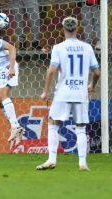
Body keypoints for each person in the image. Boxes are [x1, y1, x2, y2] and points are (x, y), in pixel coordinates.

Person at [36, 17, 100, 171]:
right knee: (80, 127)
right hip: (80, 93)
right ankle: (83, 163)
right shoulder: (87, 47)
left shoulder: (58, 47)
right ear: (78, 30)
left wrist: (46, 91)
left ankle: (52, 159)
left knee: (53, 124)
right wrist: (92, 84)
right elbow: (97, 72)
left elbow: (51, 70)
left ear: (63, 30)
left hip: (63, 93)